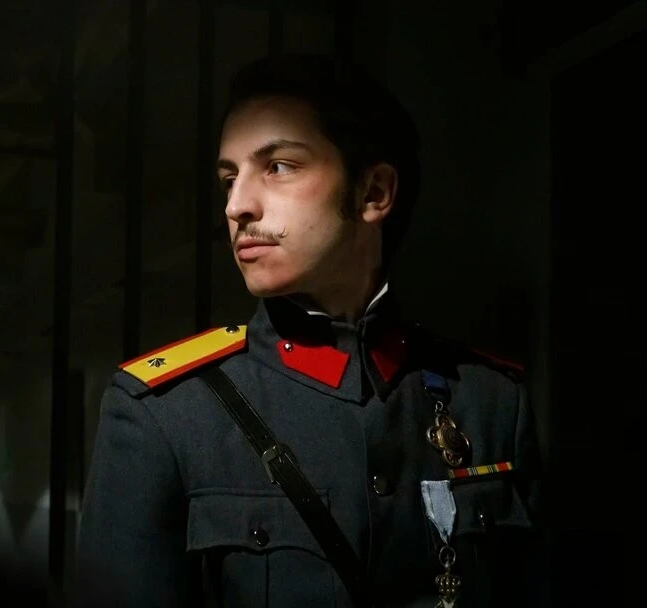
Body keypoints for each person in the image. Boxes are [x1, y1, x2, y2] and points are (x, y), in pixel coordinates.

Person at [74, 53, 548, 607]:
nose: (236, 206)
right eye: (229, 179)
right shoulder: (164, 414)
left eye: (278, 166)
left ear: (373, 192)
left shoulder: (490, 402)